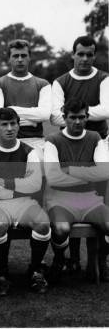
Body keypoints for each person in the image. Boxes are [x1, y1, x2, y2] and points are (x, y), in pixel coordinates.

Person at [50, 36, 109, 272]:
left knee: (100, 199)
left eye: (89, 54)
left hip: (99, 141)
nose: (85, 58)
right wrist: (79, 116)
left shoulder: (104, 78)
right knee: (69, 197)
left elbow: (108, 109)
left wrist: (79, 113)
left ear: (94, 55)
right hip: (67, 144)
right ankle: (71, 259)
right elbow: (55, 116)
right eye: (80, 54)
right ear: (73, 55)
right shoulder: (61, 81)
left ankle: (100, 261)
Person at [0, 107, 50, 295]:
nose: (9, 128)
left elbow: (35, 185)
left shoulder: (30, 152)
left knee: (42, 224)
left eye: (13, 124)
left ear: (19, 126)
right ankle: (1, 274)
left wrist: (7, 182)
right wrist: (20, 185)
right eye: (4, 125)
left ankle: (35, 271)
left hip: (25, 203)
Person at [44, 98, 109, 282]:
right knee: (60, 228)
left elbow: (105, 171)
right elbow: (52, 177)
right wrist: (89, 174)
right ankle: (59, 260)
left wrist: (70, 170)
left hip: (90, 200)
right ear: (65, 118)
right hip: (60, 200)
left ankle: (100, 261)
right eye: (73, 117)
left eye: (81, 117)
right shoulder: (52, 140)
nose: (77, 122)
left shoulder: (94, 137)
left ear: (87, 117)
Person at [0, 39, 51, 159]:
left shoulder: (43, 84)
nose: (19, 59)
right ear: (9, 58)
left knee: (38, 176)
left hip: (36, 142)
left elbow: (44, 114)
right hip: (6, 143)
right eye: (15, 56)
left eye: (23, 55)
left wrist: (10, 109)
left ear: (29, 57)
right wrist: (33, 120)